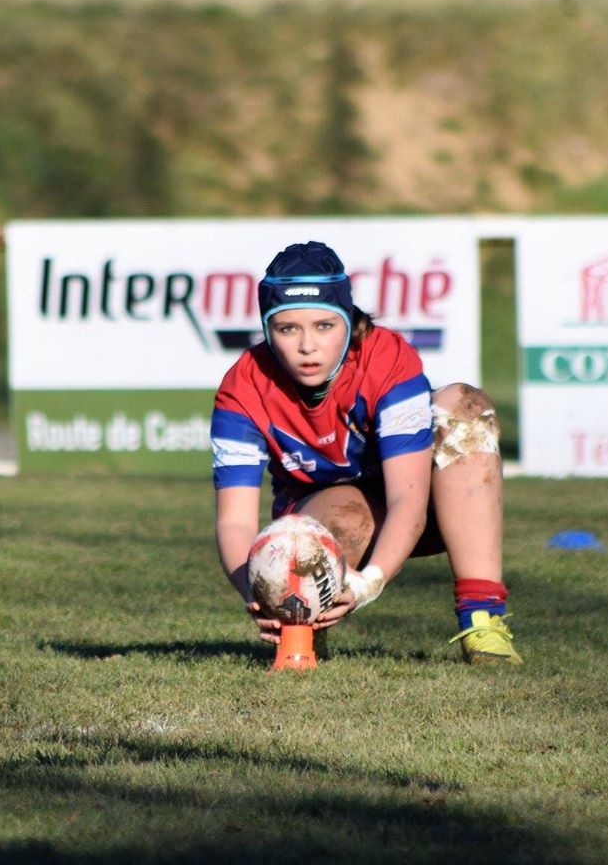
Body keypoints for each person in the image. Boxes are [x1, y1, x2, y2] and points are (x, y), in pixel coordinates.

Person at [211, 241, 521, 665]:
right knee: (343, 511)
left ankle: (482, 618)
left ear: (348, 318)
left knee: (464, 406)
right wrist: (258, 593)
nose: (307, 345)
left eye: (324, 325)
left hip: (426, 512)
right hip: (325, 533)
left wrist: (368, 582)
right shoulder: (242, 388)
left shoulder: (386, 359)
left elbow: (408, 500)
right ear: (267, 329)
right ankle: (304, 622)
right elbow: (234, 521)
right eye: (287, 328)